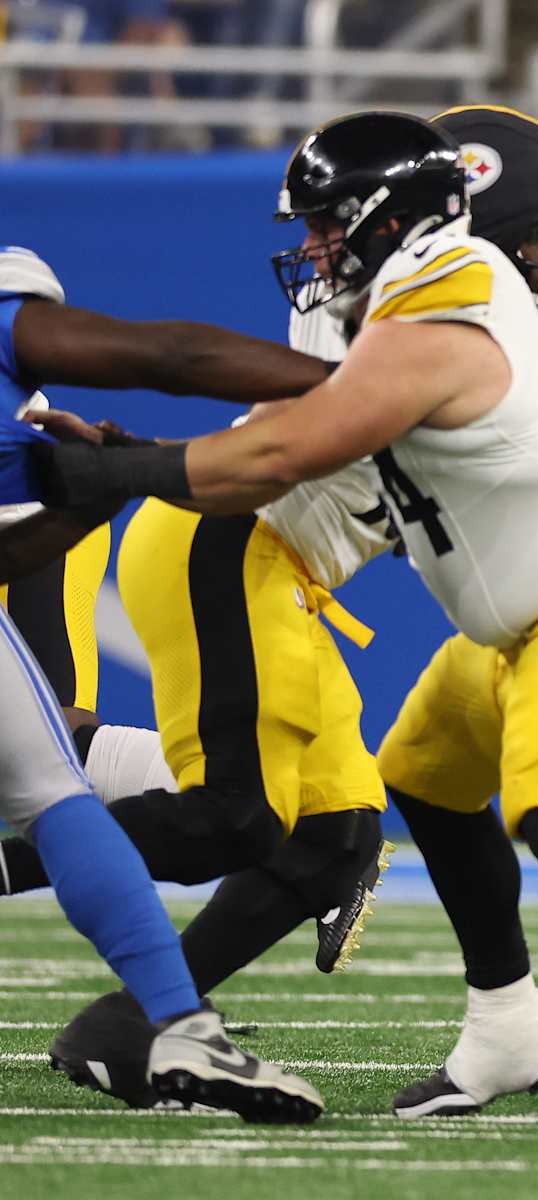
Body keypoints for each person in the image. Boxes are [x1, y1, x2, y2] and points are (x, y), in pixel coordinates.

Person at [29, 108, 538, 1131]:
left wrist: (112, 465)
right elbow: (273, 450)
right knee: (272, 816)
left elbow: (289, 437)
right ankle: (144, 995)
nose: (311, 252)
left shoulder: (440, 304)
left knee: (358, 823)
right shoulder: (414, 307)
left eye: (328, 228)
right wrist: (114, 464)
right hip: (255, 548)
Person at [0, 242, 324, 1121]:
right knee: (56, 797)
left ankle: (180, 1024)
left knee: (59, 792)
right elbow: (175, 357)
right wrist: (346, 381)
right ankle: (181, 1024)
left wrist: (86, 502)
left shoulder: (30, 452)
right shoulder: (16, 340)